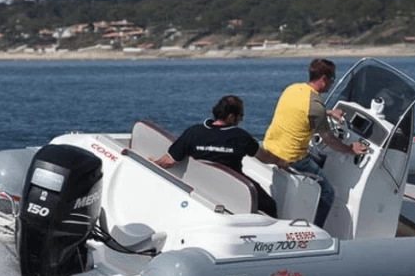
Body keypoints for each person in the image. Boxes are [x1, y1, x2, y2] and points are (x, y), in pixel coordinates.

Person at [263, 58, 367, 228]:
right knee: (327, 192)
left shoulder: (293, 89)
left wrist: (329, 113)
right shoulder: (316, 107)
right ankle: (315, 230)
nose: (332, 83)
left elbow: (303, 110)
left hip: (270, 147)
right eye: (332, 79)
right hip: (292, 157)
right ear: (323, 79)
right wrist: (350, 148)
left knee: (319, 158)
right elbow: (330, 140)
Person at [154, 95, 287, 218]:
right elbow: (264, 157)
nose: (242, 119)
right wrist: (280, 161)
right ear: (230, 117)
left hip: (202, 187)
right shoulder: (240, 137)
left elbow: (169, 161)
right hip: (234, 187)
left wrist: (151, 163)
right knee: (270, 206)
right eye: (240, 115)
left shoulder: (193, 132)